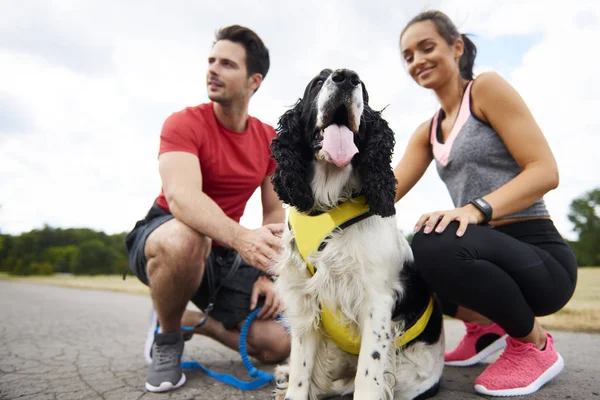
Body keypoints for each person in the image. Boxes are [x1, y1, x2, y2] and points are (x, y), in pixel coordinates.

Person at [395, 10, 577, 397]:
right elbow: (382, 193)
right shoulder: (426, 132)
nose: (417, 61)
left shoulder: (485, 89)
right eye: (408, 56)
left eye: (427, 47)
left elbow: (545, 170)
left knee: (434, 241)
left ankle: (535, 346)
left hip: (540, 257)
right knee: (404, 260)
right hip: (482, 253)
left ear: (456, 47)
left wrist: (475, 209)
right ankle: (485, 332)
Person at [125, 25, 290, 393]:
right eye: (211, 61)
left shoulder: (269, 141)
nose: (213, 69)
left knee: (278, 343)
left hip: (224, 252)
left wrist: (270, 273)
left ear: (254, 81)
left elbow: (276, 215)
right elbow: (183, 199)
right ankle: (168, 339)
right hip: (167, 233)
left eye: (227, 64)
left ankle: (187, 320)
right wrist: (242, 238)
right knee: (188, 238)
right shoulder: (183, 123)